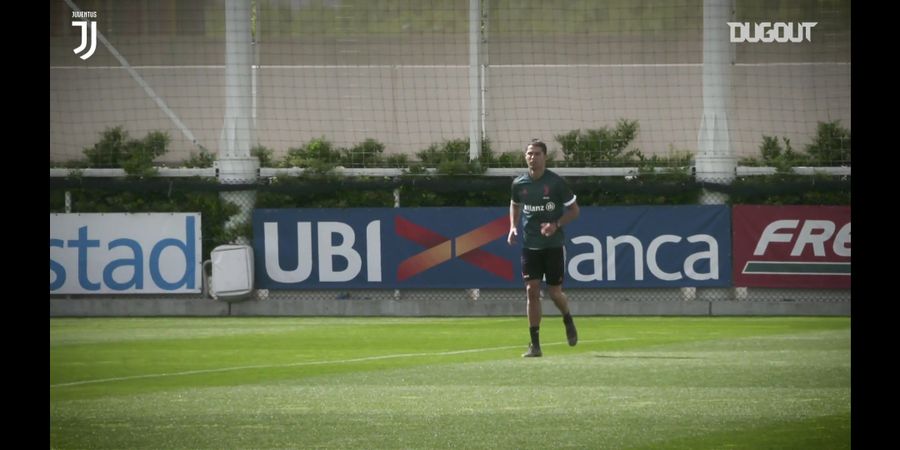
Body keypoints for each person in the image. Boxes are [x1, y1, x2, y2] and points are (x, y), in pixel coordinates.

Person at [507, 139, 579, 357]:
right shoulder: (519, 183)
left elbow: (575, 211)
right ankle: (535, 344)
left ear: (544, 157)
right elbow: (515, 203)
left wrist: (555, 224)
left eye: (537, 154)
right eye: (529, 153)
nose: (532, 157)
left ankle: (567, 318)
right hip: (530, 246)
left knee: (555, 293)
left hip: (553, 245)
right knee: (531, 290)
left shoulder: (556, 183)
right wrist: (512, 227)